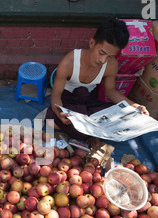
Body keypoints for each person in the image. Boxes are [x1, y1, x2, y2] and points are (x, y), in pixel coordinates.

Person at [45, 18, 149, 147]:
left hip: (89, 99)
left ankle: (87, 129)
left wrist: (136, 106)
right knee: (64, 122)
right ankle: (82, 130)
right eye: (102, 53)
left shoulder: (111, 65)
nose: (103, 60)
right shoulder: (70, 61)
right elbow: (56, 94)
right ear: (92, 43)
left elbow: (110, 91)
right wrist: (59, 113)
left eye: (110, 56)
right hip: (68, 99)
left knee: (120, 117)